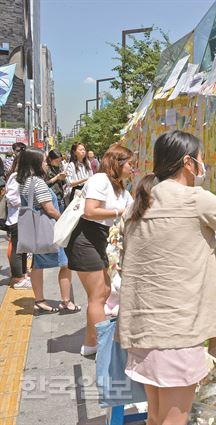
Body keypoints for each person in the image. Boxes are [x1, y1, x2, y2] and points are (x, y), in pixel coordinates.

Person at [118, 130, 216, 425]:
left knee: (155, 416)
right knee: (173, 420)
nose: (205, 166)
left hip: (142, 329)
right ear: (189, 163)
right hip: (178, 331)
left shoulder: (139, 203)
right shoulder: (196, 199)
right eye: (202, 159)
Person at [65, 144, 134, 356]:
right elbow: (90, 210)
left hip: (101, 239)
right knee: (99, 295)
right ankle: (104, 349)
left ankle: (90, 343)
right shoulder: (100, 180)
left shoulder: (121, 188)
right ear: (117, 163)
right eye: (130, 164)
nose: (133, 168)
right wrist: (118, 211)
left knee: (101, 293)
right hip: (85, 238)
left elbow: (134, 208)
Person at [16, 147, 80, 314]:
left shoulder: (23, 181)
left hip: (35, 231)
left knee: (37, 264)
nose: (46, 163)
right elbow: (49, 209)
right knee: (65, 264)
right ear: (35, 162)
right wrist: (65, 222)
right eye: (44, 160)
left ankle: (39, 300)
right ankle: (66, 301)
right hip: (48, 230)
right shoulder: (37, 182)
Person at [5, 154, 30, 289]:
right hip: (16, 218)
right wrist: (27, 203)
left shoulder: (22, 176)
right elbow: (12, 198)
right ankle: (18, 278)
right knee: (17, 249)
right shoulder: (16, 177)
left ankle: (23, 274)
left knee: (23, 248)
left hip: (22, 217)